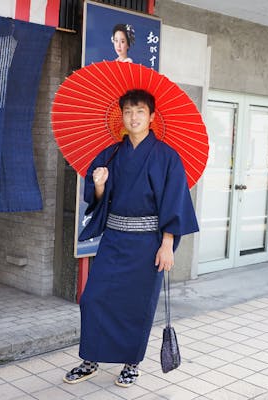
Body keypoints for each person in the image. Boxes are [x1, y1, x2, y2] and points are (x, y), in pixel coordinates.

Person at [63, 89, 199, 388]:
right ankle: (91, 358)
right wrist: (98, 186)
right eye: (127, 111)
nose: (133, 117)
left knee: (136, 305)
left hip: (148, 245)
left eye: (139, 111)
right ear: (121, 116)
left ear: (152, 117)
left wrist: (167, 244)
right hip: (114, 239)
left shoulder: (167, 157)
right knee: (94, 298)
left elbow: (174, 202)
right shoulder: (110, 154)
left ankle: (131, 363)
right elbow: (98, 200)